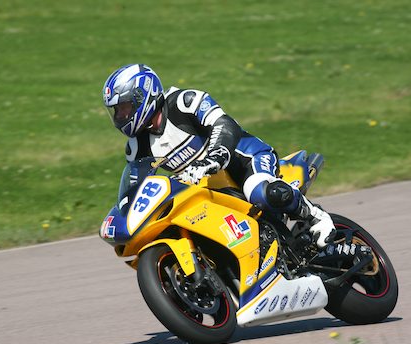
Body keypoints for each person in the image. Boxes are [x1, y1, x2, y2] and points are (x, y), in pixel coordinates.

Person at [102, 64, 335, 248]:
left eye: (125, 108)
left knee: (260, 192)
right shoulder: (137, 146)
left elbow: (225, 124)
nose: (121, 116)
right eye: (117, 111)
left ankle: (316, 216)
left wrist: (215, 157)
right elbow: (138, 186)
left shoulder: (184, 102)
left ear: (143, 96)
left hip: (246, 159)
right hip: (210, 186)